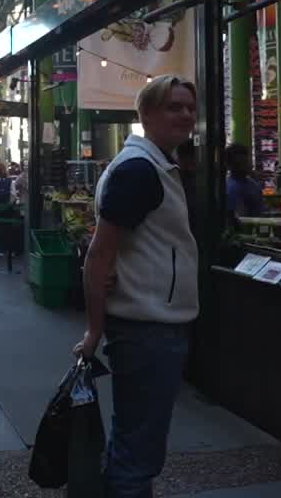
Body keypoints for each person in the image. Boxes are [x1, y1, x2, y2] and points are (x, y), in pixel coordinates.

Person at [75, 75, 200, 498]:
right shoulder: (140, 171)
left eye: (188, 107)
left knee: (131, 445)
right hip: (147, 327)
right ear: (145, 114)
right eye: (173, 106)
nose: (184, 114)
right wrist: (93, 329)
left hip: (149, 324)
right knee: (137, 455)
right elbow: (99, 255)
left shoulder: (153, 165)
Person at [225, 143, 265, 221]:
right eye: (241, 163)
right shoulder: (231, 189)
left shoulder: (253, 184)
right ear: (230, 166)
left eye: (246, 161)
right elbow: (240, 218)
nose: (247, 165)